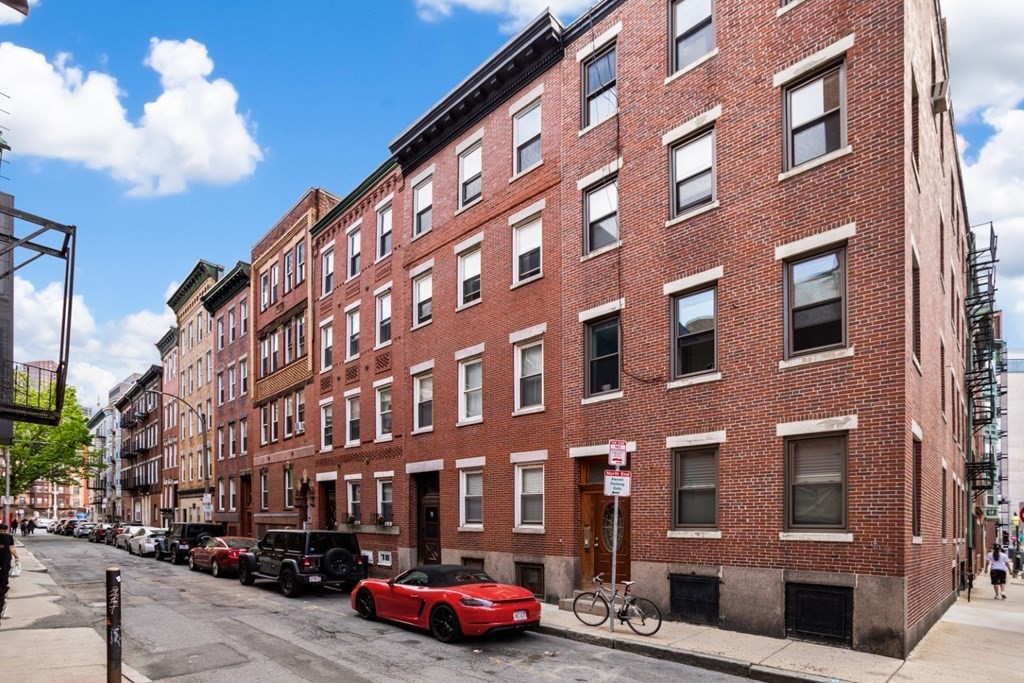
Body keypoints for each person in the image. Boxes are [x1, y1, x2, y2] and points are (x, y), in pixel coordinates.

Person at [0, 522, 20, 619]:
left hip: (6, 558)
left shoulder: (9, 537)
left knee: (5, 572)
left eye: (4, 531)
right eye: (1, 530)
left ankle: (4, 587)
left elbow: (11, 547)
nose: (2, 532)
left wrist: (16, 556)